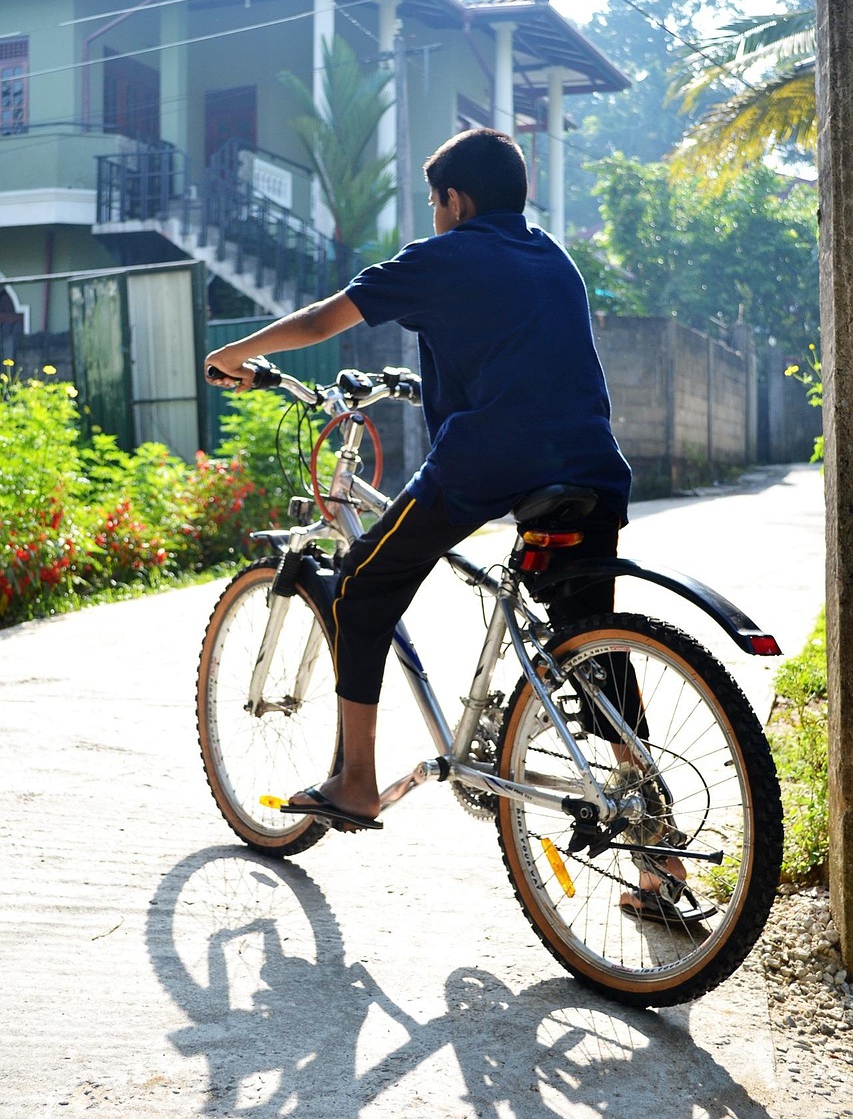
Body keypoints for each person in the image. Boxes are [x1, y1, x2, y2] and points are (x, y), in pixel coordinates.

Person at [205, 128, 681, 917]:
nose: (433, 215)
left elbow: (327, 319)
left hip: (489, 463)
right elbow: (510, 345)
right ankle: (660, 859)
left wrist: (235, 353)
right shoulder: (551, 257)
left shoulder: (443, 258)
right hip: (593, 466)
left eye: (434, 202)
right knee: (591, 646)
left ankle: (355, 783)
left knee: (359, 591)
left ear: (453, 201)